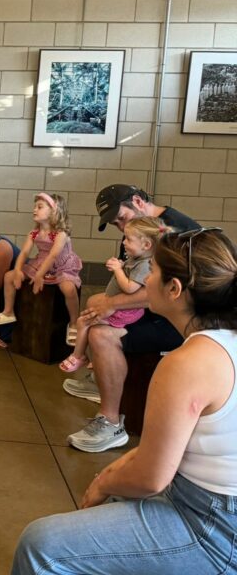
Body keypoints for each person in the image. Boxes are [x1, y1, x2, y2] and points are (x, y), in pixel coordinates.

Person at [12, 228, 237, 575]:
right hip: (212, 504)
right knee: (116, 496)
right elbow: (166, 451)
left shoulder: (187, 362)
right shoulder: (225, 340)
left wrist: (102, 482)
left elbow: (151, 478)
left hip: (213, 525)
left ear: (174, 290)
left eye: (154, 272)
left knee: (41, 545)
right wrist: (113, 472)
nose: (147, 278)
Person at [62, 184, 200, 452]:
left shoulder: (177, 232)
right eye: (115, 224)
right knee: (94, 306)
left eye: (121, 219)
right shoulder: (138, 230)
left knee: (101, 333)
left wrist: (112, 304)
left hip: (181, 319)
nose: (121, 229)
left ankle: (111, 422)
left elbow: (169, 292)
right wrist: (109, 303)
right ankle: (104, 374)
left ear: (137, 201)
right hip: (157, 309)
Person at [59, 216, 166, 373]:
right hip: (121, 307)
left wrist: (118, 270)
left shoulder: (145, 265)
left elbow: (130, 288)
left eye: (128, 239)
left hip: (125, 312)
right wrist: (122, 266)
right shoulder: (137, 259)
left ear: (146, 245)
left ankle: (79, 356)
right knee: (89, 311)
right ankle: (94, 358)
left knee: (83, 323)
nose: (124, 243)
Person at [0, 193, 82, 336]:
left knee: (68, 288)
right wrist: (17, 269)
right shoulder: (34, 233)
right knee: (9, 277)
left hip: (61, 266)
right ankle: (8, 311)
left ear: (54, 211)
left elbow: (53, 256)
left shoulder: (60, 234)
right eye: (35, 207)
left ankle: (74, 322)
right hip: (41, 263)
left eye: (39, 207)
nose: (34, 210)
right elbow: (25, 253)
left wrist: (39, 276)